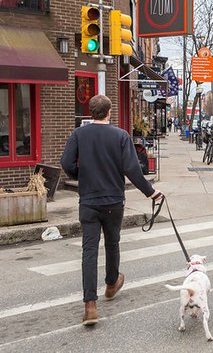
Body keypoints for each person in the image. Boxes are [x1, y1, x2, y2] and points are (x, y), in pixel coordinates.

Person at [61, 95, 163, 326]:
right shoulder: (120, 136)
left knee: (89, 251)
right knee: (112, 243)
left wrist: (80, 177)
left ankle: (90, 306)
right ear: (109, 113)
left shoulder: (78, 135)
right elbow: (132, 169)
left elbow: (66, 163)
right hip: (113, 201)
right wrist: (151, 192)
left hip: (88, 201)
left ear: (91, 112)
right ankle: (111, 283)